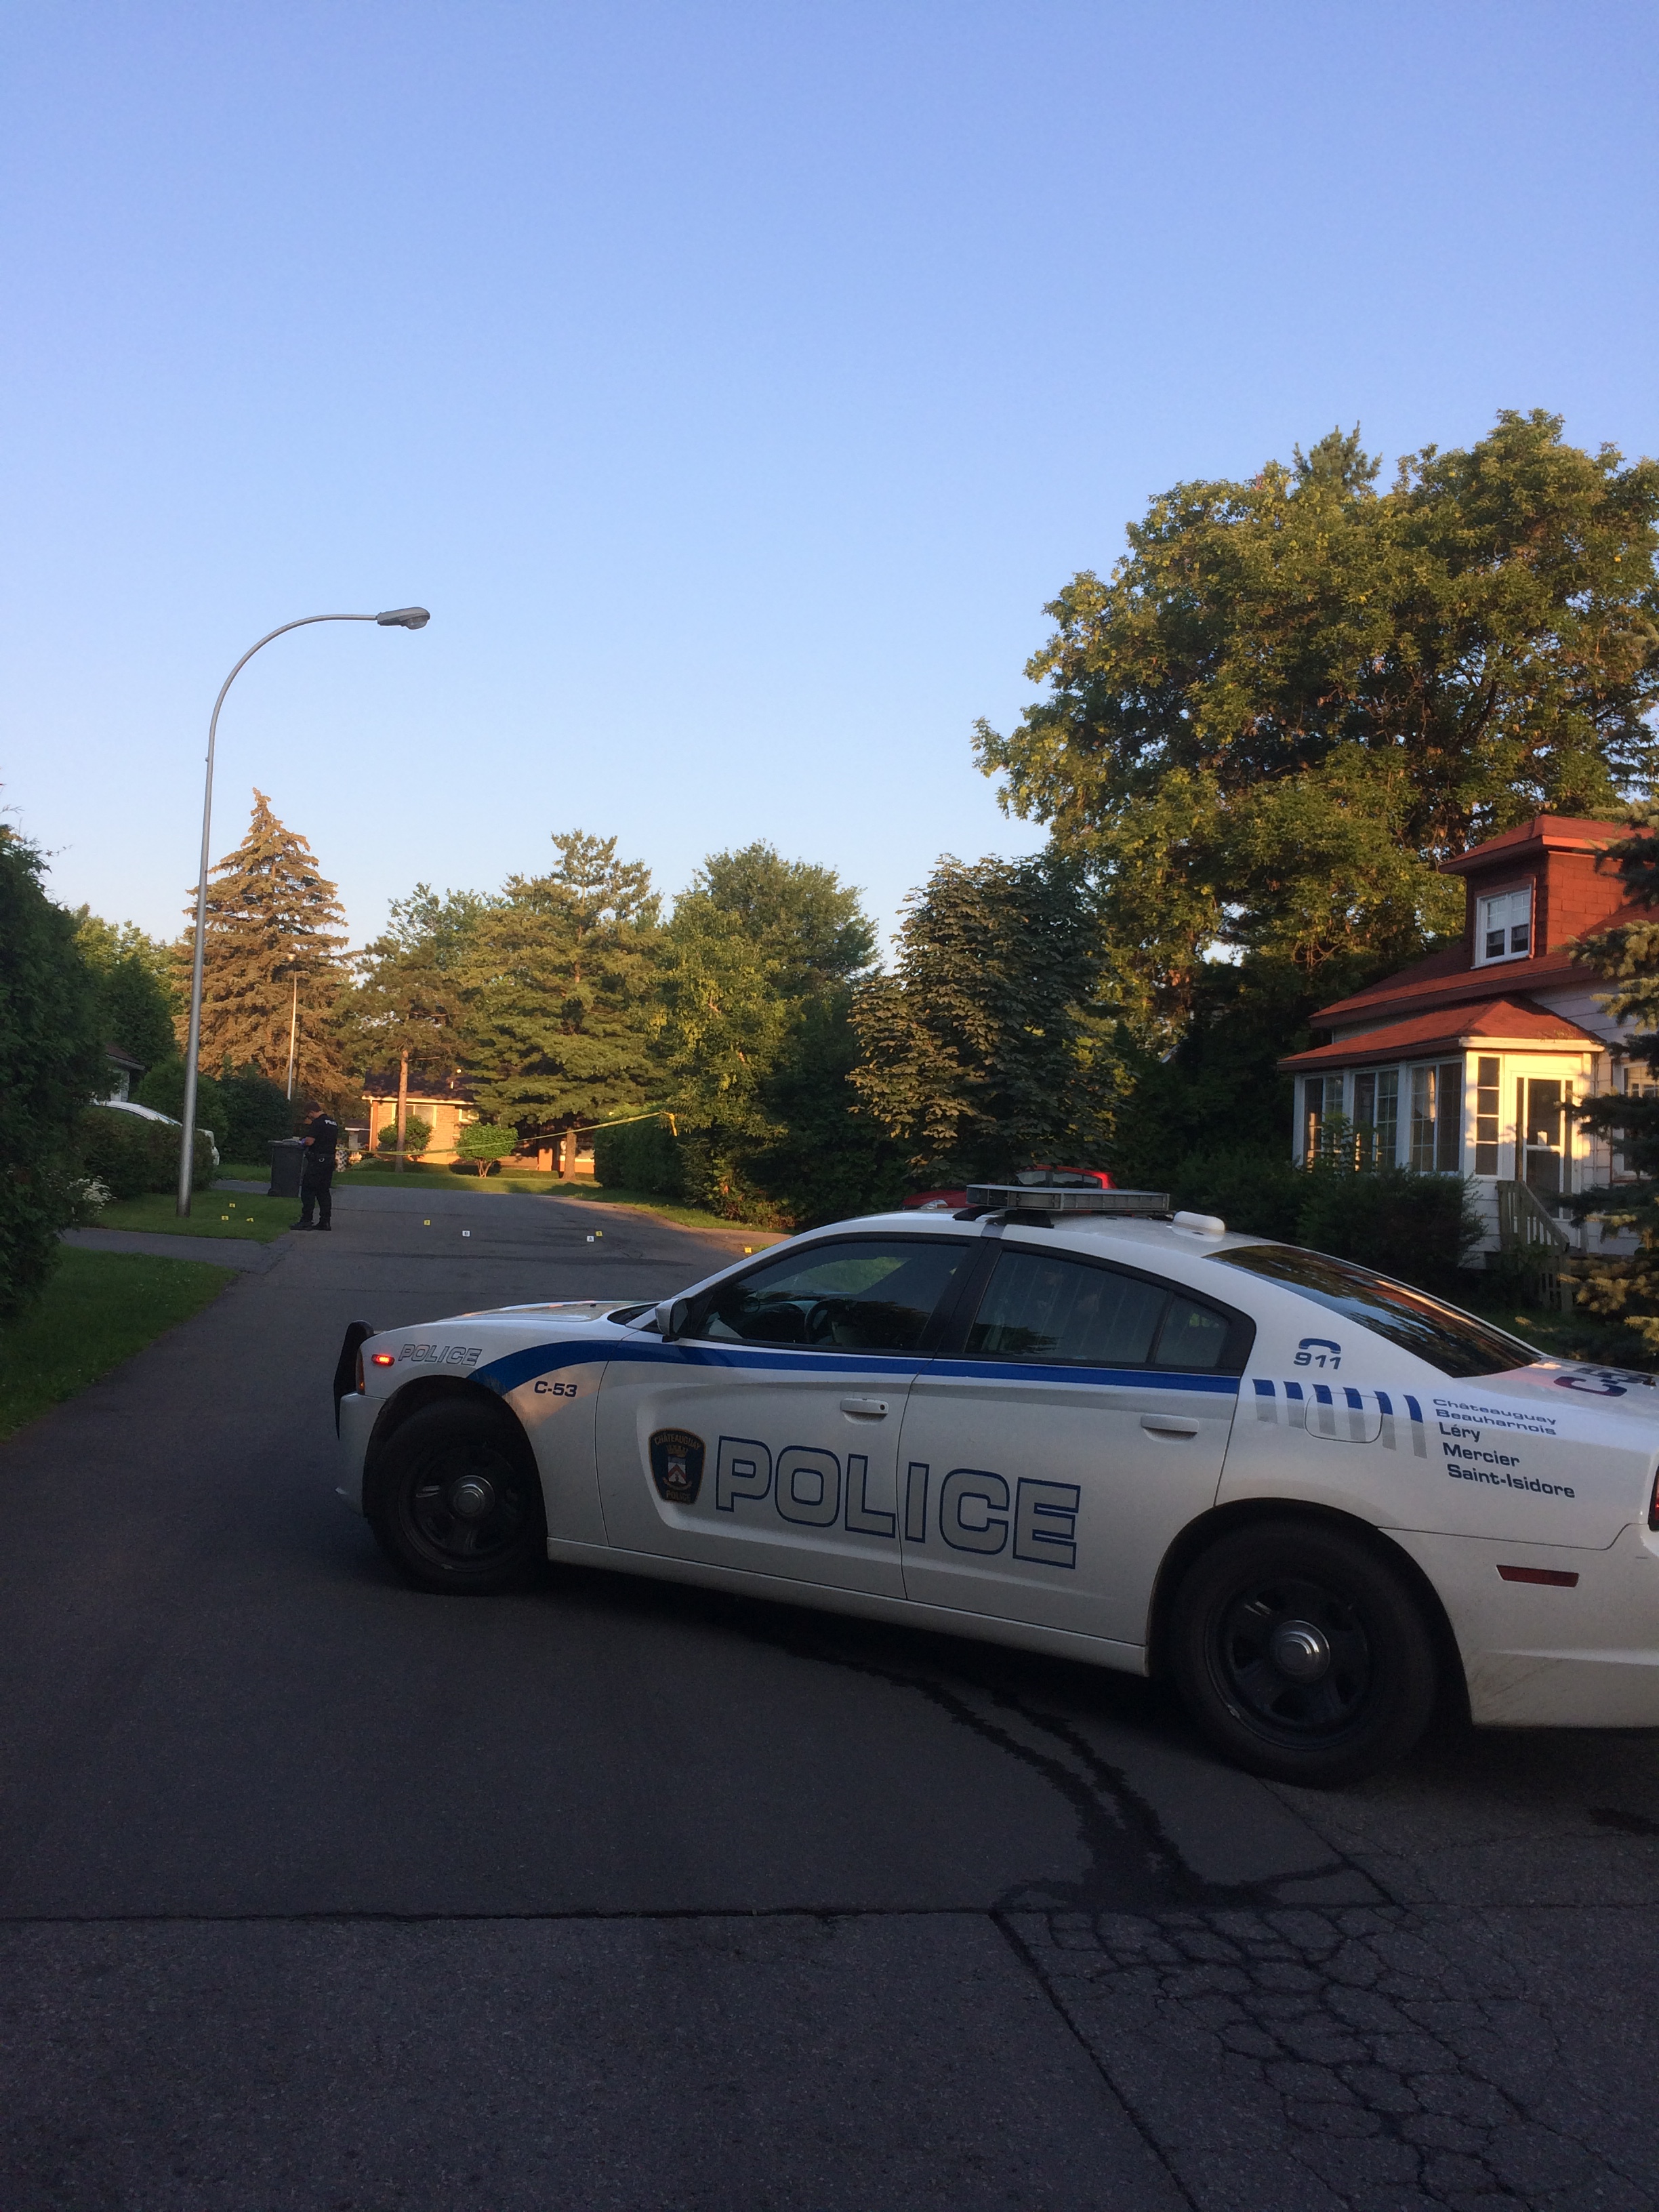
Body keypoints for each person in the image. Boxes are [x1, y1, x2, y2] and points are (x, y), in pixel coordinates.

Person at [293, 1099, 340, 1231]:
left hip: (317, 1161)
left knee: (308, 1190)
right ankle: (325, 1221)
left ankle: (306, 1220)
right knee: (323, 1192)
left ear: (312, 1112)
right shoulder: (333, 1123)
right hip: (329, 1160)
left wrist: (302, 1142)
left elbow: (310, 1142)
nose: (309, 1118)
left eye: (309, 1115)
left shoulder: (318, 1123)